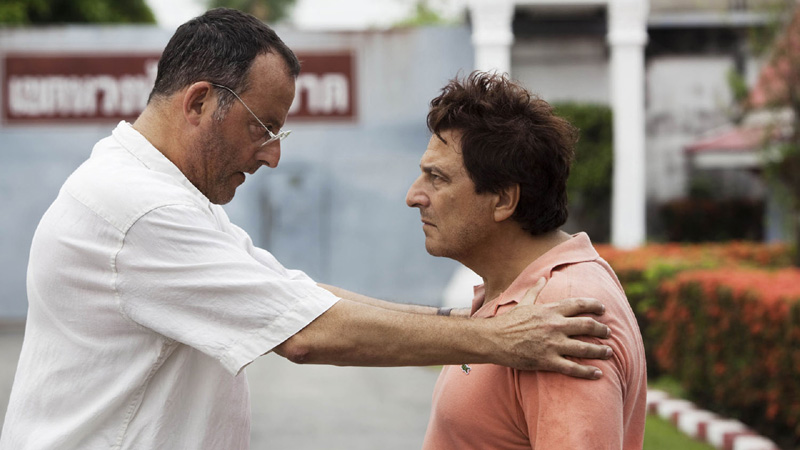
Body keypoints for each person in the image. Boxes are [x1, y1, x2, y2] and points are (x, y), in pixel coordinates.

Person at [0, 9, 614, 450]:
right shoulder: (141, 210)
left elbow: (298, 296)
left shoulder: (163, 196)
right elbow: (307, 333)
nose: (272, 155)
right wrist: (499, 339)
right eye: (263, 127)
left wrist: (475, 322)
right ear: (199, 102)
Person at [408, 72, 647, 449]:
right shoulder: (521, 299)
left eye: (437, 178)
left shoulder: (560, 314)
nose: (413, 196)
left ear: (503, 199)